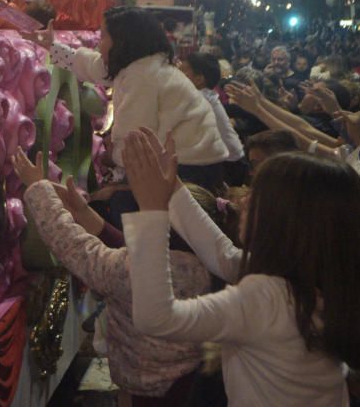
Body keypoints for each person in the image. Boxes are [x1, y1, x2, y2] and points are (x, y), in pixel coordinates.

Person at [124, 128, 360, 406]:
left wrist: (152, 211)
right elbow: (225, 257)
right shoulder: (318, 277)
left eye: (257, 194)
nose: (243, 199)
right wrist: (172, 188)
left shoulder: (269, 297)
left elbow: (157, 318)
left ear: (287, 220)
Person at [12, 148, 212, 406]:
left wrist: (38, 188)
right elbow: (123, 247)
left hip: (143, 390)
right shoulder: (208, 267)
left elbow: (72, 244)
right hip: (190, 384)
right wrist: (83, 212)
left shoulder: (131, 271)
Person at [23, 6, 228, 192]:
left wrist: (111, 160)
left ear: (122, 41)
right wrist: (52, 46)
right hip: (188, 161)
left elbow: (134, 138)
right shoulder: (140, 65)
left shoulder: (143, 77)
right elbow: (95, 67)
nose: (99, 46)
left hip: (190, 168)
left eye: (103, 37)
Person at [178, 52, 245, 185]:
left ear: (198, 79)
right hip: (226, 160)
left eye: (182, 73)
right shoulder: (203, 95)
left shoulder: (199, 99)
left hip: (228, 165)